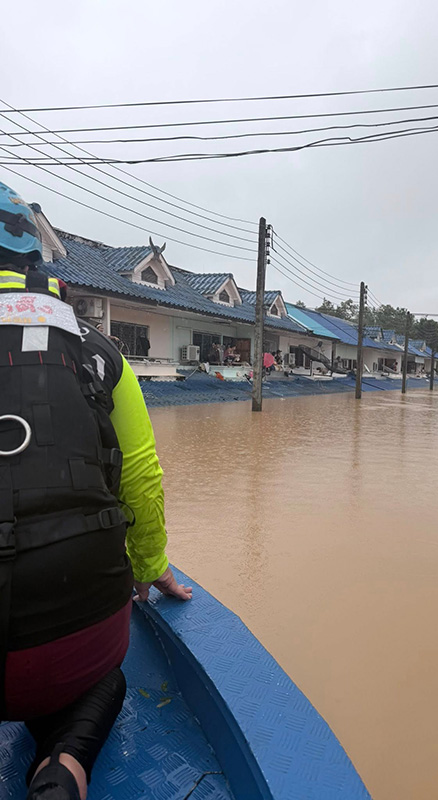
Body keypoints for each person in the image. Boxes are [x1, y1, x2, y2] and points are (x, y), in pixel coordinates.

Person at [0, 181, 191, 800]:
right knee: (101, 683)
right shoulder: (100, 352)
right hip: (79, 642)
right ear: (36, 261)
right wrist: (151, 563)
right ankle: (65, 767)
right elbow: (141, 478)